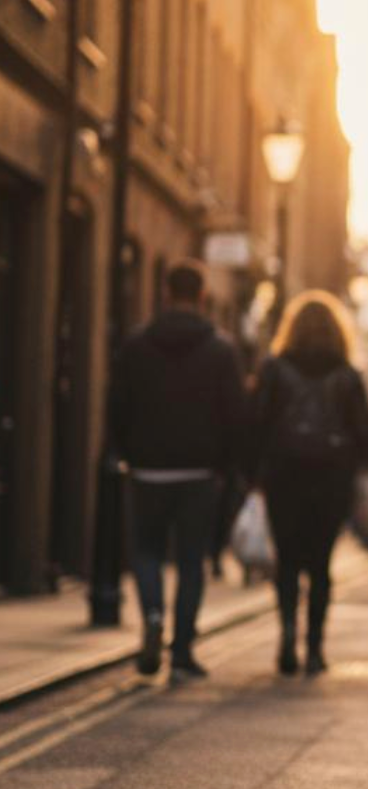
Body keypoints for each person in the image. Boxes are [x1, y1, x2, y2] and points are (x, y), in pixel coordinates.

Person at [109, 259, 245, 681]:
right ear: (202, 297)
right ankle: (182, 650)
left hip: (148, 469)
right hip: (200, 474)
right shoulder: (221, 351)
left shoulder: (135, 346)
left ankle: (152, 616)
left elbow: (118, 405)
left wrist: (123, 452)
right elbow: (234, 415)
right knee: (191, 562)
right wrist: (225, 466)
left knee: (146, 553)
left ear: (165, 293)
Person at [248, 291, 368, 676]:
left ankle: (287, 633)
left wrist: (253, 477)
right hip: (332, 477)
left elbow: (256, 423)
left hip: (284, 475)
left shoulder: (274, 368)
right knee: (320, 565)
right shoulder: (348, 375)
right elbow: (366, 433)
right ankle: (315, 647)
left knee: (287, 561)